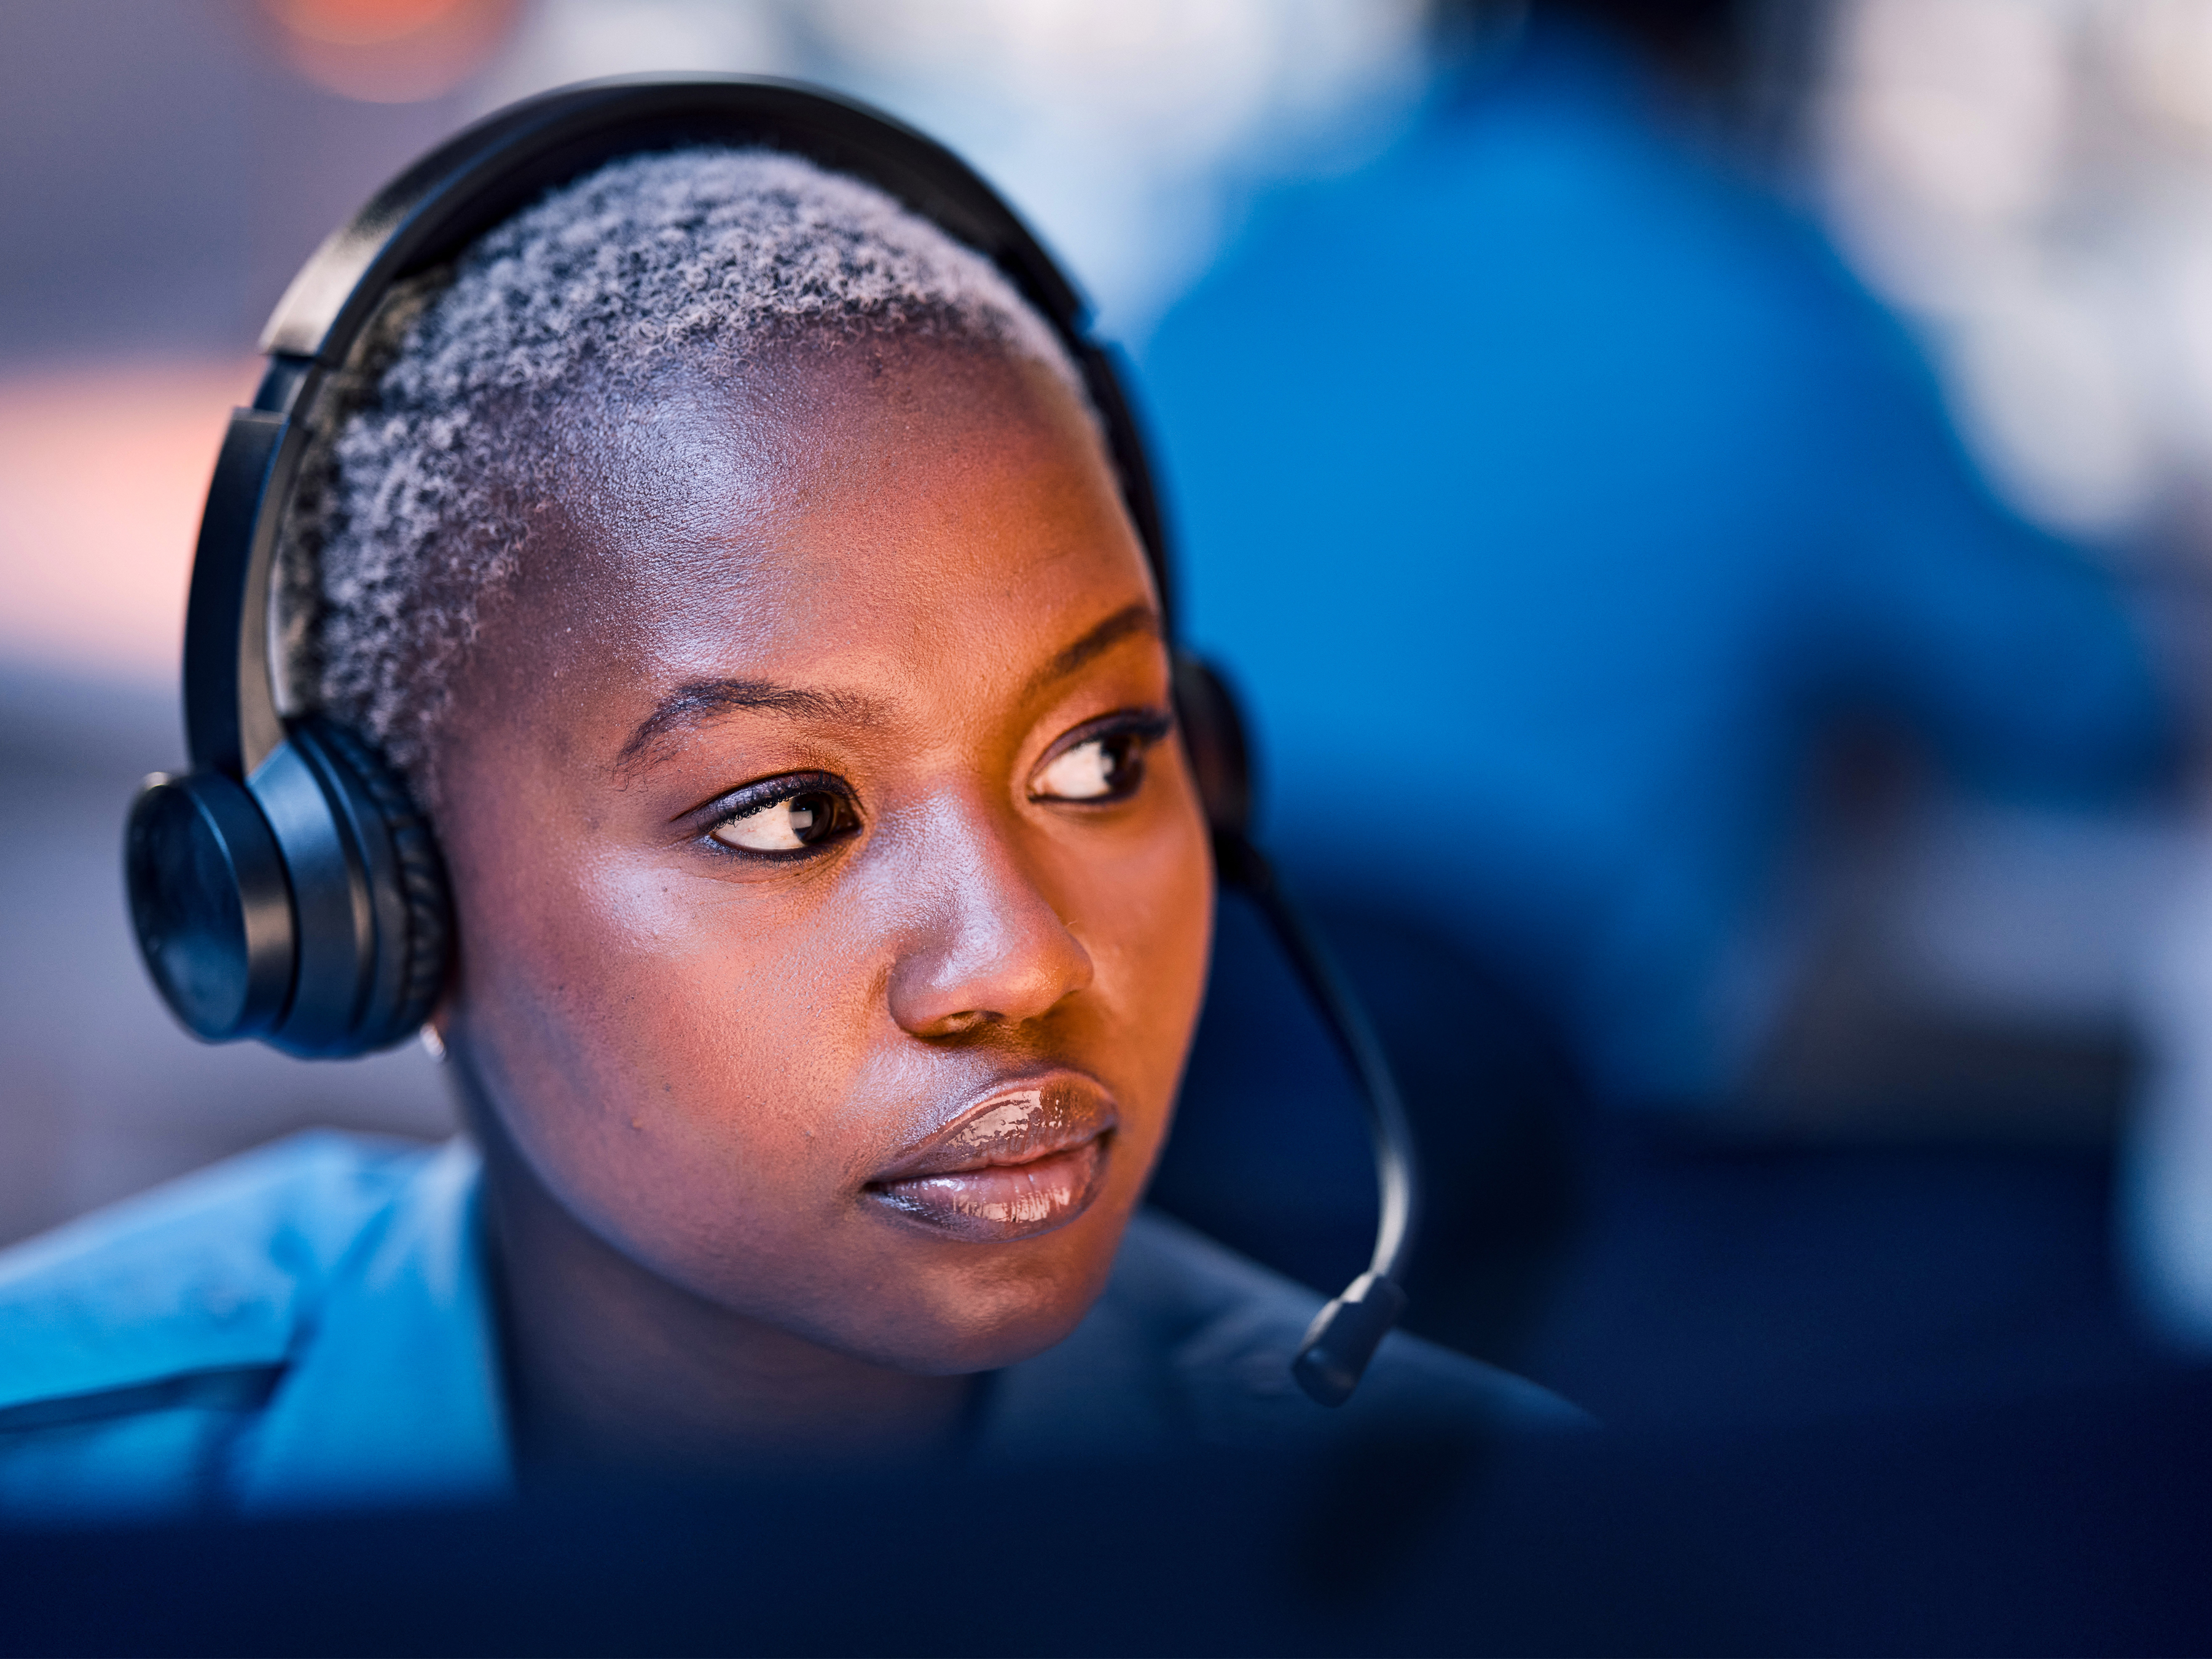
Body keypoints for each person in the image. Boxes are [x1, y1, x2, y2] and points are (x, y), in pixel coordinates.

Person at [0, 135, 1575, 1525]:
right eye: (791, 813)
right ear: (367, 897)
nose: (1018, 962)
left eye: (1099, 761)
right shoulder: (51, 1505)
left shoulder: (1513, 1558)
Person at [1139, 1, 2179, 1115]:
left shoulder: (1247, 259)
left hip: (1169, 1052)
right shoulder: (1770, 308)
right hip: (1494, 1109)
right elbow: (2075, 703)